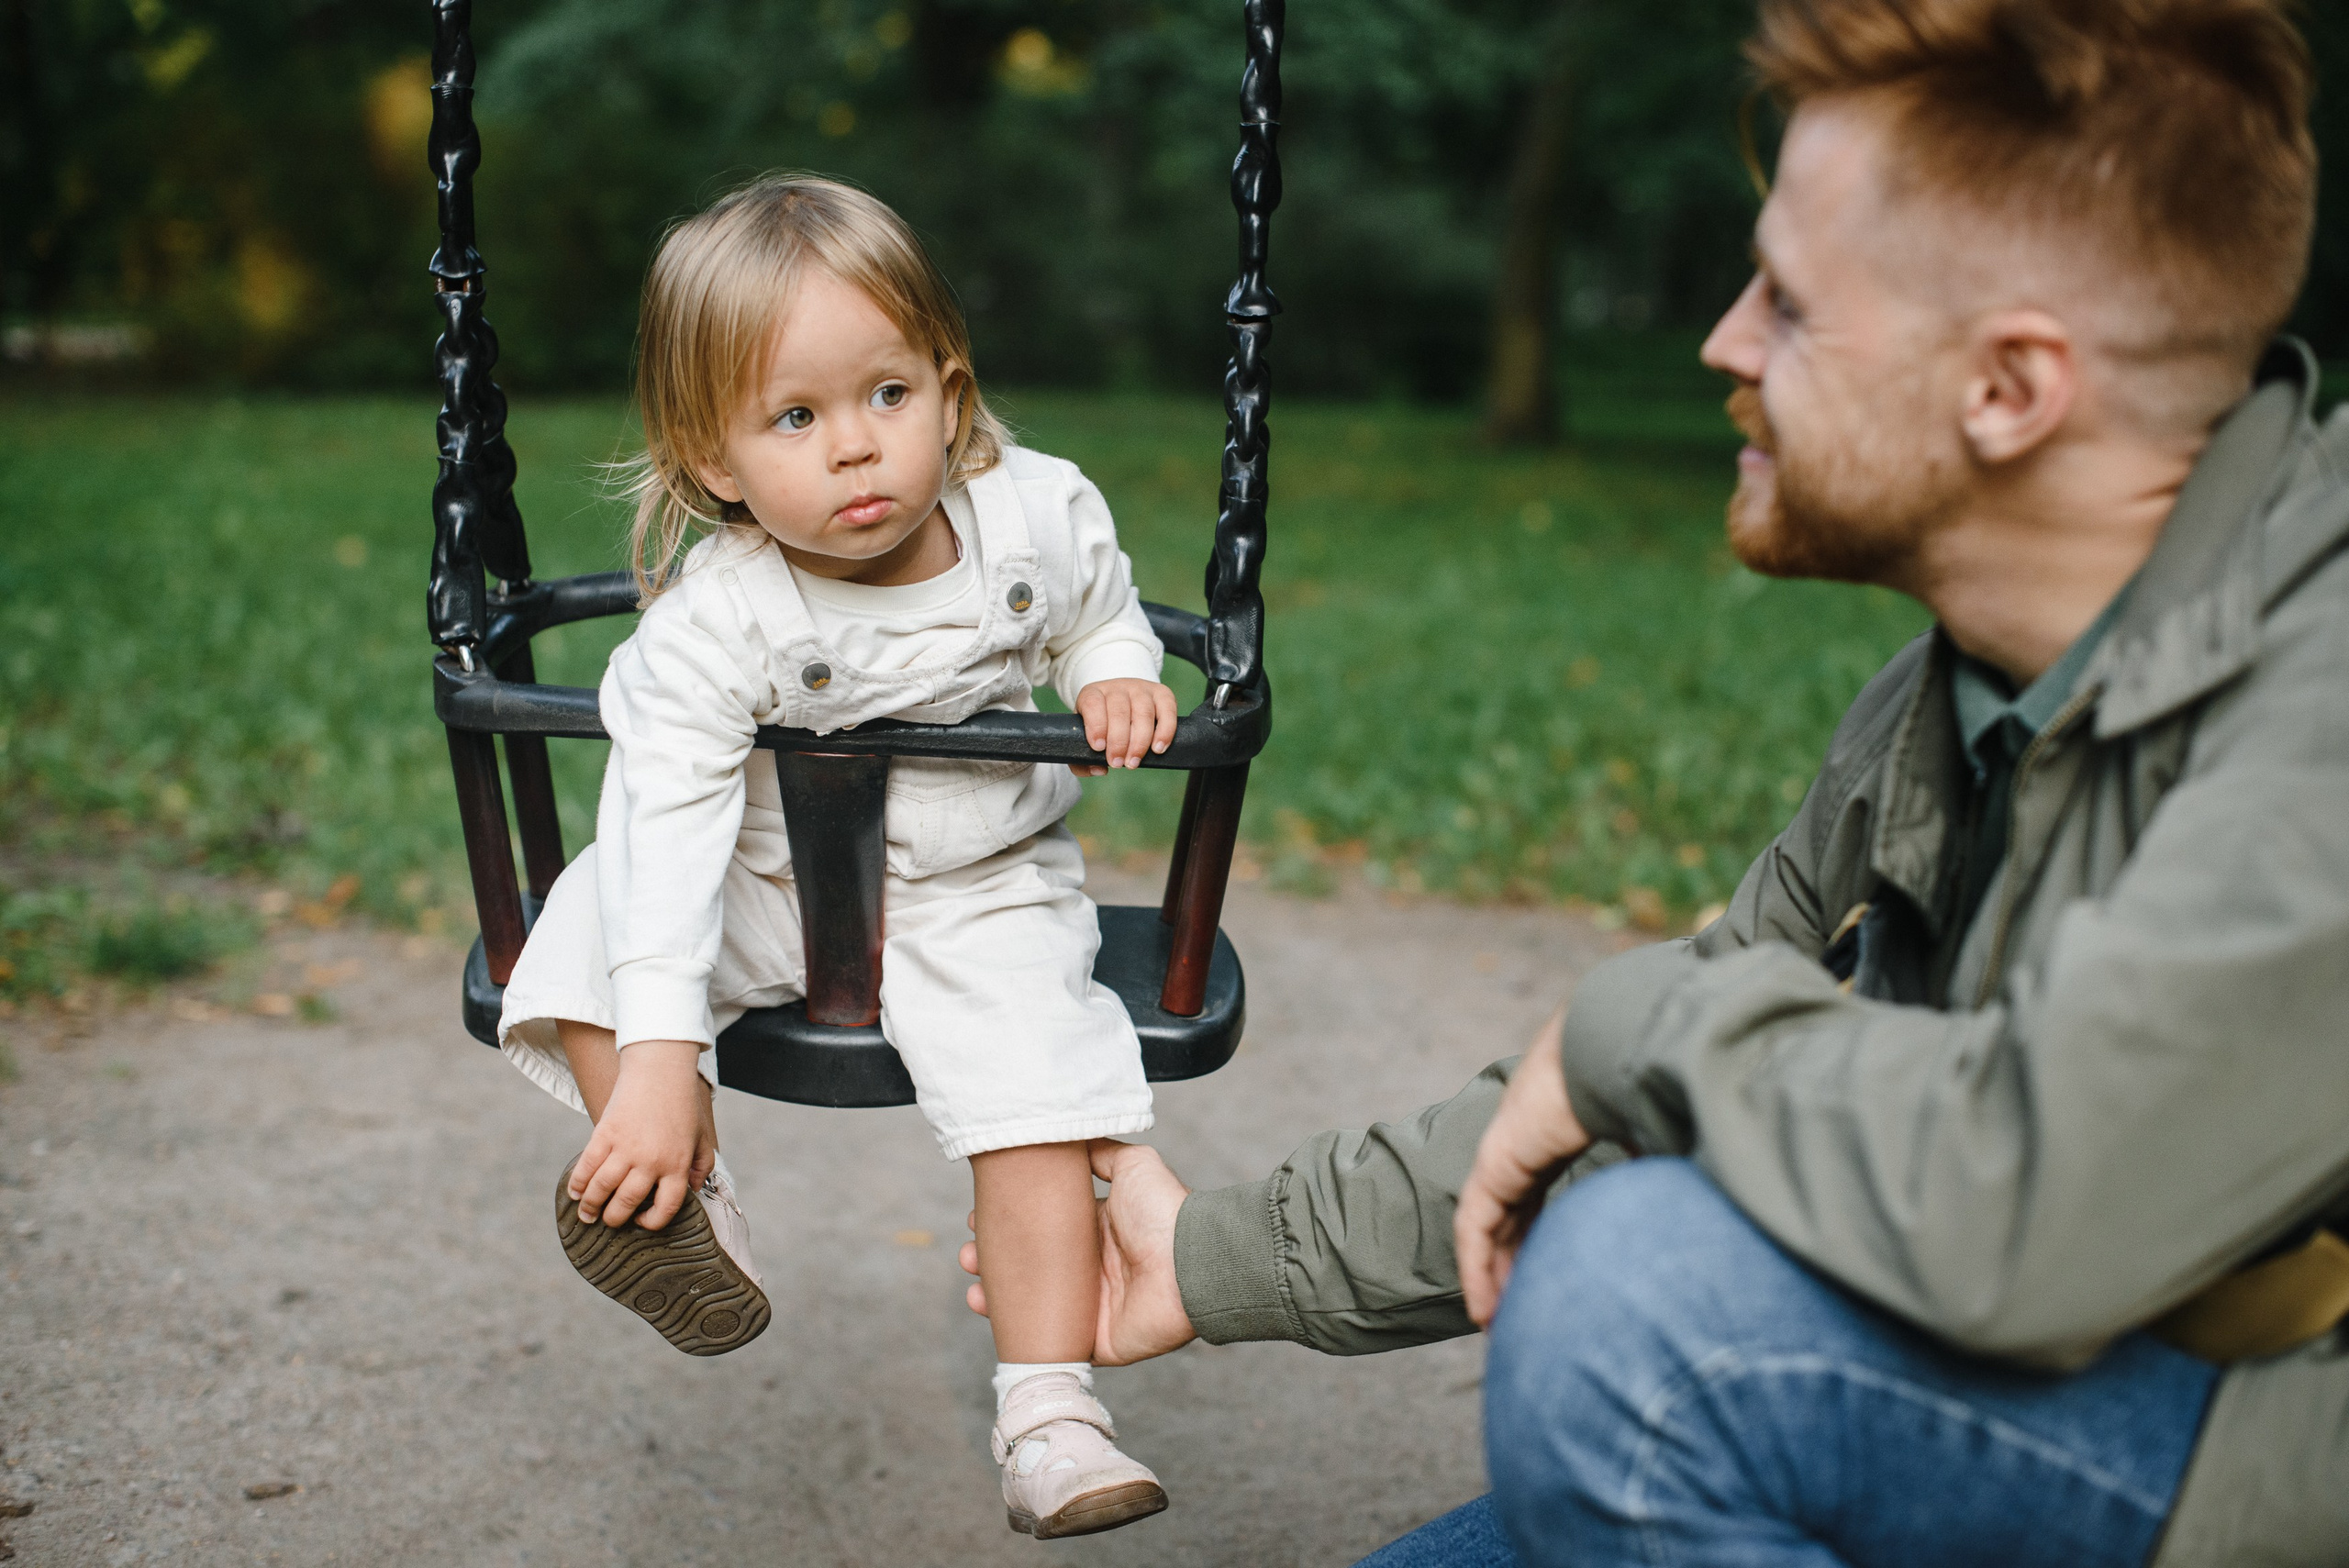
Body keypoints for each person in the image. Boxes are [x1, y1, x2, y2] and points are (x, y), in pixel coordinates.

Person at [965, 2, 2349, 1563]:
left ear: (2014, 388)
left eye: (1793, 306)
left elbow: (2029, 1192)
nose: (1723, 343)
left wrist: (1633, 1032)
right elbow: (1651, 1094)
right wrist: (1208, 1257)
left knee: (1642, 1304)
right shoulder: (1941, 706)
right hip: (2045, 1394)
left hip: (2260, 1455)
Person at [495, 174, 1179, 1540]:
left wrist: (1113, 671)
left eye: (887, 397)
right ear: (713, 461)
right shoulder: (714, 622)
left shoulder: (1036, 515)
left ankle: (1051, 1411)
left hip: (978, 884)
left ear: (951, 387)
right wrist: (658, 1051)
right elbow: (670, 828)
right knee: (588, 932)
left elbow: (1106, 612)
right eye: (796, 418)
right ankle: (677, 1175)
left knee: (1034, 1104)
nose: (857, 450)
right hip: (760, 881)